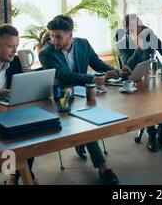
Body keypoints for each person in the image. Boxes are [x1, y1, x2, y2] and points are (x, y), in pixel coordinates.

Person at [39, 15, 127, 185]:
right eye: (51, 36)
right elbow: (63, 75)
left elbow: (98, 64)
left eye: (58, 36)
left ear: (70, 35)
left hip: (85, 93)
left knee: (93, 115)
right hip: (62, 96)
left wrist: (116, 71)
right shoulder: (46, 53)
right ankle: (104, 168)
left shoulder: (83, 44)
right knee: (85, 122)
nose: (53, 40)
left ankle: (81, 141)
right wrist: (94, 79)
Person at [116, 14, 162, 152]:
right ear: (128, 31)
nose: (141, 29)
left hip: (157, 74)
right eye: (137, 28)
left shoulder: (149, 35)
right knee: (146, 100)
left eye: (141, 25)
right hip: (138, 80)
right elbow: (127, 67)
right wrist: (139, 49)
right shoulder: (122, 44)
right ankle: (152, 134)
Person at [0, 24, 38, 185]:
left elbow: (17, 87)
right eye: (10, 46)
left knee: (31, 131)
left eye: (16, 46)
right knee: (10, 137)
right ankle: (22, 174)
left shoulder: (15, 61)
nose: (15, 51)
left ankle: (15, 175)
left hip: (7, 111)